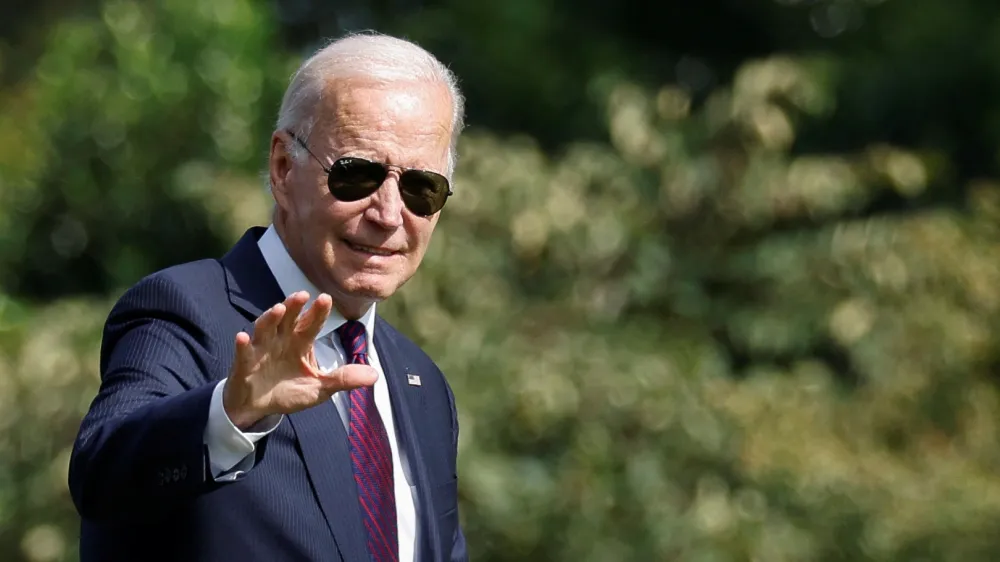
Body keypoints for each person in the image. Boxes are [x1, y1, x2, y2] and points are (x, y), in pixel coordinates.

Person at [68, 31, 468, 562]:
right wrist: (231, 413)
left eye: (422, 188)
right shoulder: (184, 311)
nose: (390, 214)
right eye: (358, 175)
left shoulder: (422, 383)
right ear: (284, 168)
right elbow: (101, 475)